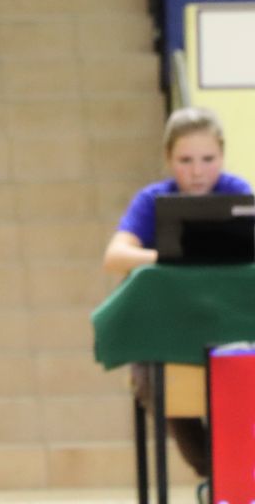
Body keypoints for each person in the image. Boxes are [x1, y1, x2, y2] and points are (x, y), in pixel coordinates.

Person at [102, 106, 252, 478]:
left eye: (208, 159)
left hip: (230, 332)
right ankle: (214, 472)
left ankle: (234, 472)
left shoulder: (239, 194)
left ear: (222, 156)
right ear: (169, 159)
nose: (197, 171)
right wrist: (173, 256)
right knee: (153, 382)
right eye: (186, 160)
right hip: (165, 337)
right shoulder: (151, 200)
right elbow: (115, 257)